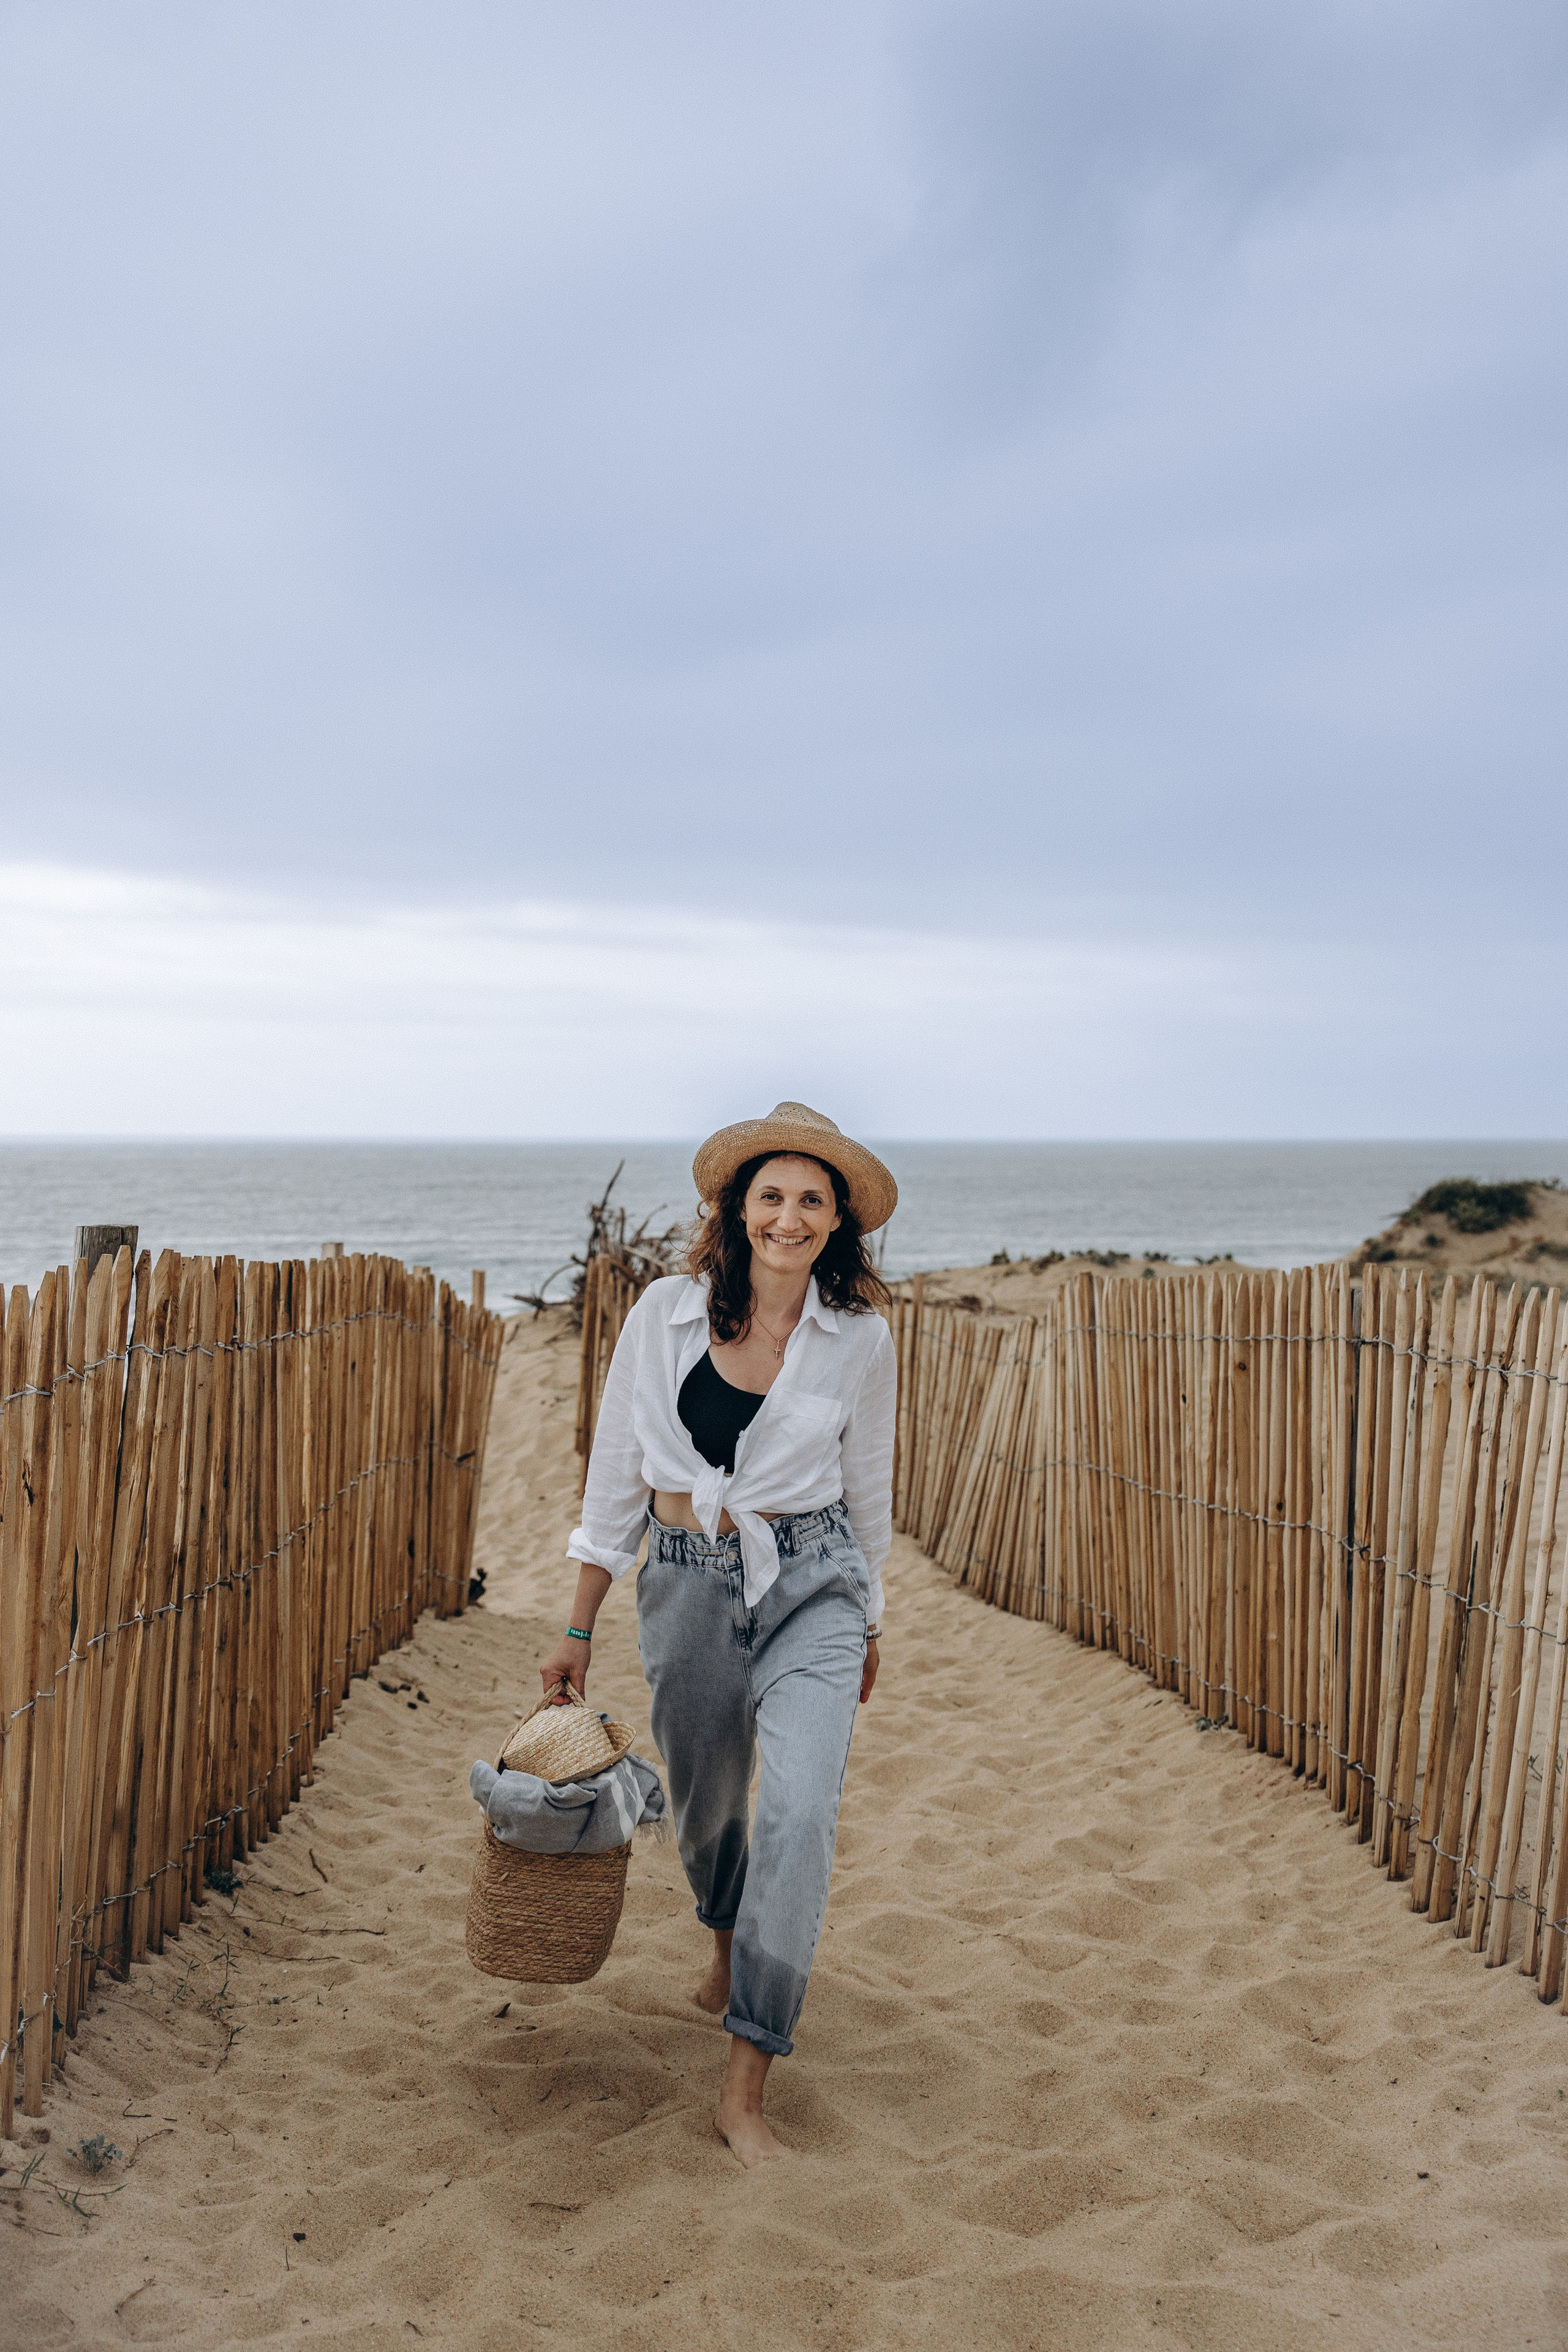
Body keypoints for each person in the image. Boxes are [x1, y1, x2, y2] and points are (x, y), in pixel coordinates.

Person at [539, 1101, 897, 2168]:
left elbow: (870, 1491)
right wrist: (576, 1623)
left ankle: (746, 2083)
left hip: (815, 1584)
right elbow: (616, 1473)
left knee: (800, 1814)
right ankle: (725, 1941)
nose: (790, 1217)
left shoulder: (860, 1339)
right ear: (738, 1210)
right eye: (771, 1195)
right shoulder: (663, 1315)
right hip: (684, 1578)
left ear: (837, 1223)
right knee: (706, 1813)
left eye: (812, 1201)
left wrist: (871, 1619)